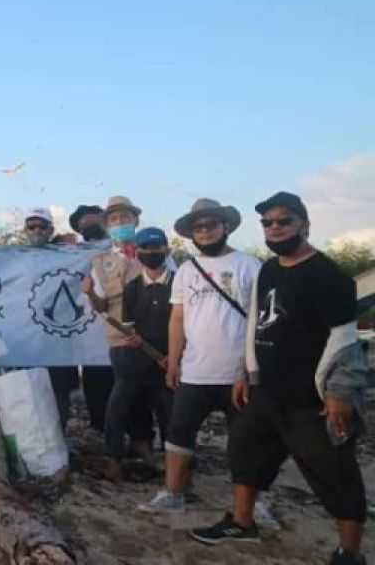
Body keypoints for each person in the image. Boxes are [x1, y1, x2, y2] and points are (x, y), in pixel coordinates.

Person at [191, 193, 367, 563]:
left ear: (303, 223)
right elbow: (256, 323)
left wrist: (339, 392)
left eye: (283, 221)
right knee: (244, 452)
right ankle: (242, 521)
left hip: (312, 400)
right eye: (267, 223)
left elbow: (346, 339)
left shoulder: (328, 275)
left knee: (335, 473)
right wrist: (245, 372)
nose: (275, 228)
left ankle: (349, 551)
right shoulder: (269, 270)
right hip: (267, 393)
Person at [141, 199, 261, 513]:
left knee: (246, 440)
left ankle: (251, 504)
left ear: (226, 227)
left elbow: (260, 320)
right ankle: (172, 492)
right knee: (179, 433)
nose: (205, 232)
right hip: (195, 370)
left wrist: (250, 367)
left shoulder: (249, 265)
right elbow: (177, 319)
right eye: (199, 227)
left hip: (239, 372)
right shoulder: (185, 270)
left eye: (210, 225)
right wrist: (173, 360)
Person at [82, 195, 152, 449]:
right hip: (121, 338)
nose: (120, 222)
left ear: (135, 220)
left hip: (155, 338)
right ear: (108, 225)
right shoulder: (101, 261)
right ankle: (114, 454)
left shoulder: (156, 249)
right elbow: (100, 307)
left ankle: (148, 447)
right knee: (122, 397)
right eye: (114, 219)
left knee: (155, 396)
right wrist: (89, 293)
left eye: (125, 217)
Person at [104, 227, 174, 482]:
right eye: (145, 248)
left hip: (167, 364)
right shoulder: (132, 288)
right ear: (138, 252)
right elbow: (129, 327)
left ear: (167, 249)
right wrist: (135, 341)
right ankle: (114, 461)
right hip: (135, 363)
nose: (151, 253)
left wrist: (172, 358)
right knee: (116, 411)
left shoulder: (179, 284)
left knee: (170, 415)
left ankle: (175, 468)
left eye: (157, 248)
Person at [23, 208, 81, 428]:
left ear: (51, 230)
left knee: (60, 391)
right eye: (32, 226)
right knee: (28, 392)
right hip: (25, 337)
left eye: (42, 226)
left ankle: (60, 440)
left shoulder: (67, 253)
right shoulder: (12, 257)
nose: (37, 231)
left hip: (59, 337)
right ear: (25, 231)